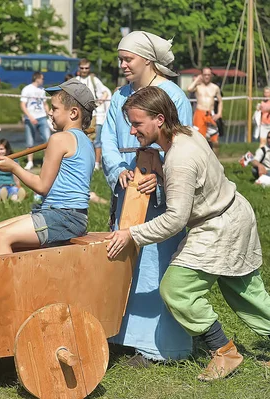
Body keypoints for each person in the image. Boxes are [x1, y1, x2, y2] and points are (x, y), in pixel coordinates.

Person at [107, 86, 270, 381]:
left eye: (137, 123)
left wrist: (131, 233)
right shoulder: (187, 135)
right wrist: (161, 174)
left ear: (159, 119)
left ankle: (223, 351)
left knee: (176, 290)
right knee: (247, 293)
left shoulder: (179, 157)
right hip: (234, 214)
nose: (132, 131)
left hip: (218, 226)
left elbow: (174, 219)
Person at [101, 30, 193, 364]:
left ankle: (161, 346)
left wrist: (161, 174)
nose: (123, 64)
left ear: (147, 60)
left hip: (159, 194)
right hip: (129, 190)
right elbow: (109, 139)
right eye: (121, 59)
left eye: (128, 59)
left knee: (157, 262)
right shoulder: (119, 96)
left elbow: (182, 142)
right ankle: (123, 336)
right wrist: (117, 171)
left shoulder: (173, 95)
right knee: (127, 260)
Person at [0, 79, 95, 256]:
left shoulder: (59, 139)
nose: (49, 113)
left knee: (0, 237)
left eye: (55, 108)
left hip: (63, 217)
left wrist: (14, 167)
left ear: (74, 113)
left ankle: (9, 284)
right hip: (70, 216)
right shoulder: (86, 141)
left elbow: (42, 186)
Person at [74, 59, 111, 170]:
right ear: (79, 68)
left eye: (86, 68)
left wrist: (99, 102)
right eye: (82, 68)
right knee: (81, 139)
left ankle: (96, 164)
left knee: (96, 140)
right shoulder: (76, 81)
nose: (84, 70)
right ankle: (84, 162)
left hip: (96, 115)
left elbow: (105, 92)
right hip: (81, 115)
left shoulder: (94, 80)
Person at [188, 67, 223, 155]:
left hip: (210, 114)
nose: (207, 77)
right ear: (202, 75)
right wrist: (197, 80)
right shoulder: (198, 86)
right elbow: (189, 89)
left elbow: (220, 101)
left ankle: (216, 163)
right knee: (200, 141)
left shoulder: (215, 87)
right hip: (200, 113)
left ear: (211, 75)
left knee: (215, 141)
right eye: (205, 75)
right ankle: (201, 162)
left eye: (208, 75)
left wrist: (219, 113)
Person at [20, 72, 50, 170]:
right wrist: (30, 117)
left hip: (42, 117)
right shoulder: (27, 89)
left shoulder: (42, 90)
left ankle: (46, 161)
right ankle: (30, 162)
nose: (43, 80)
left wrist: (49, 113)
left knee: (47, 139)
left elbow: (45, 103)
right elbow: (23, 105)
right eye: (42, 78)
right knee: (30, 141)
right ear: (37, 78)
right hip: (30, 118)